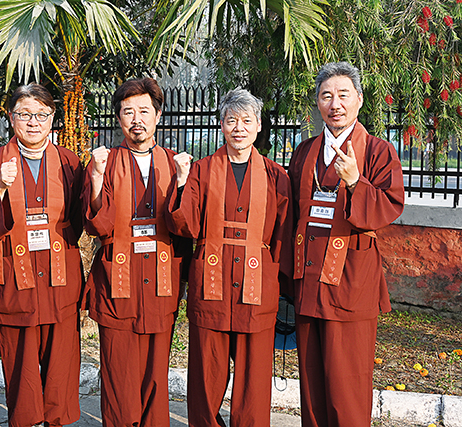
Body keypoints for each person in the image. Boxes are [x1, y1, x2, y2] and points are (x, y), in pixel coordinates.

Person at [167, 89, 293, 426]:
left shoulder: (275, 175)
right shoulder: (203, 170)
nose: (239, 128)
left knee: (254, 376)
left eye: (246, 120)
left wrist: (278, 283)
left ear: (258, 126)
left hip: (257, 285)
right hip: (212, 283)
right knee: (206, 370)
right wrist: (180, 183)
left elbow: (283, 235)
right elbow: (185, 224)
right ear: (221, 124)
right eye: (231, 120)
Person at [288, 62, 405, 427]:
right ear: (318, 103)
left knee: (347, 385)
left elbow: (390, 205)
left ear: (359, 99)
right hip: (308, 281)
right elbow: (290, 212)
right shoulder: (304, 151)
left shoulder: (378, 151)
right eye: (326, 96)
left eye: (343, 95)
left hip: (351, 283)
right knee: (311, 386)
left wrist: (356, 182)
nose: (334, 103)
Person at [0, 83, 85, 427]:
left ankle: (57, 420)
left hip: (59, 277)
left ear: (53, 118)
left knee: (61, 361)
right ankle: (25, 421)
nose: (34, 122)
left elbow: (79, 219)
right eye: (24, 114)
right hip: (13, 280)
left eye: (42, 114)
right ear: (11, 118)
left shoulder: (68, 162)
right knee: (20, 363)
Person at [84, 77, 190, 427]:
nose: (136, 119)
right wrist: (98, 177)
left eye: (144, 110)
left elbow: (184, 226)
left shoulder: (175, 163)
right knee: (118, 370)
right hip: (117, 279)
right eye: (128, 112)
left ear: (158, 115)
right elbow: (99, 226)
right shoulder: (106, 162)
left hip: (161, 281)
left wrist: (183, 183)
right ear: (118, 118)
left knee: (156, 371)